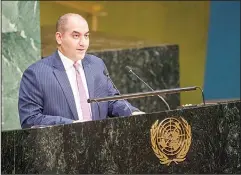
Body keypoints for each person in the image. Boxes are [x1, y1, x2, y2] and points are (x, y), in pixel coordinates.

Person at [18, 13, 143, 129]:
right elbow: (30, 120)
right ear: (59, 38)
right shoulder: (36, 73)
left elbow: (110, 100)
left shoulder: (96, 65)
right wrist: (72, 126)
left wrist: (133, 113)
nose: (83, 43)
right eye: (76, 36)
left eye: (86, 36)